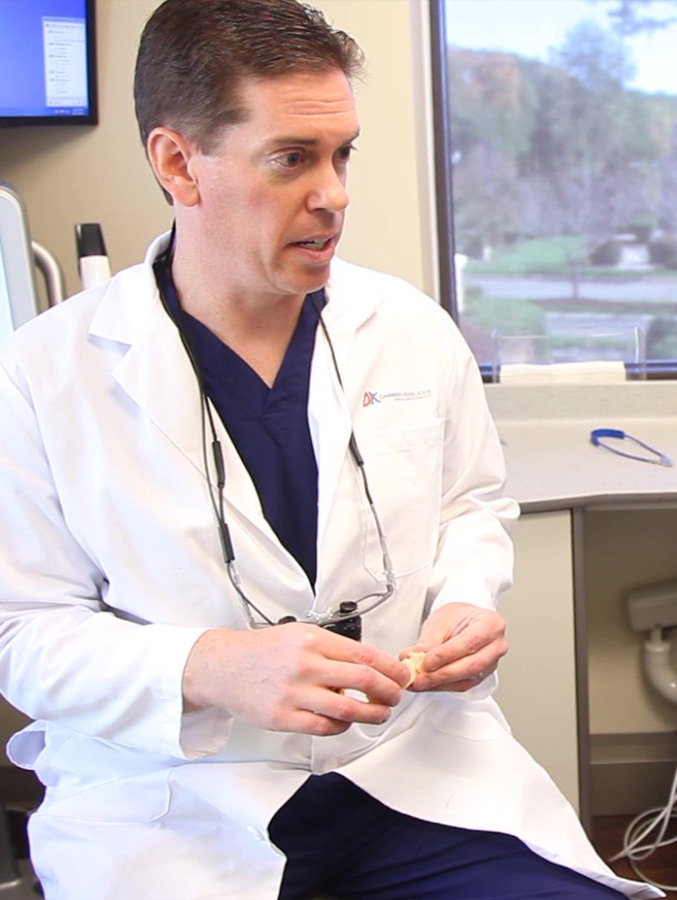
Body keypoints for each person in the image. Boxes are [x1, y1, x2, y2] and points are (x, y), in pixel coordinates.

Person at [0, 2, 660, 898]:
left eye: (342, 153)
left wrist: (463, 598)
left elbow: (469, 505)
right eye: (292, 159)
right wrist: (208, 669)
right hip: (175, 799)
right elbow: (21, 631)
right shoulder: (42, 376)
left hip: (407, 774)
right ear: (176, 164)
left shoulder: (410, 332)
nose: (334, 193)